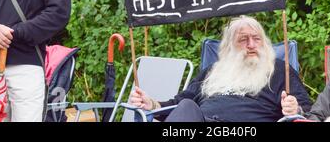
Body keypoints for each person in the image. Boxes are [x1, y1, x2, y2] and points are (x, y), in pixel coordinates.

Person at [129, 15, 312, 122]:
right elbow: (178, 104)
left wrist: (296, 109)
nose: (251, 45)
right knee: (186, 106)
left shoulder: (279, 70)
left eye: (256, 39)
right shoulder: (213, 71)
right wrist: (152, 104)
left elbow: (308, 111)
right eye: (243, 39)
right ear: (229, 46)